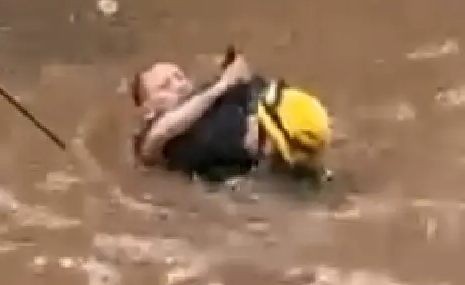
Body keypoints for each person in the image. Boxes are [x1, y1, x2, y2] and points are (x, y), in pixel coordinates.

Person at [129, 50, 333, 187]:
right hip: (247, 186)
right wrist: (223, 85)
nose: (178, 85)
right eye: (165, 86)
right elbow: (163, 131)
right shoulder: (151, 140)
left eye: (179, 77)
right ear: (148, 108)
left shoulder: (213, 96)